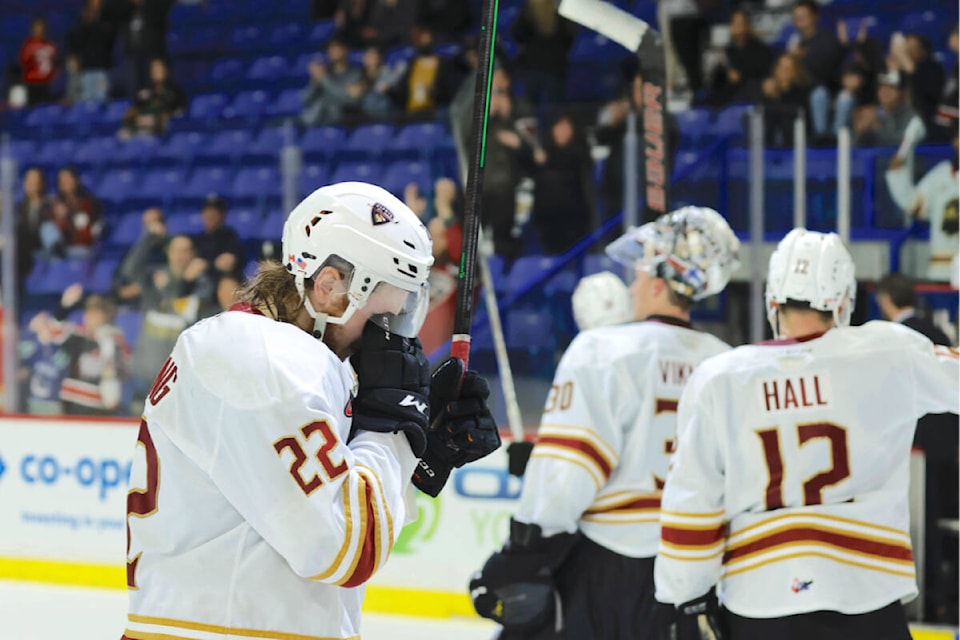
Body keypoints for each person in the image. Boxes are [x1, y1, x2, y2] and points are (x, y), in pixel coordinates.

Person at [123, 182, 500, 640]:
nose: (391, 339)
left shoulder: (268, 351)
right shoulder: (266, 358)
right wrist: (392, 431)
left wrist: (420, 452)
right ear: (330, 287)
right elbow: (347, 550)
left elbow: (342, 514)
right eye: (384, 321)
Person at [653, 229, 959, 640]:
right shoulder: (889, 351)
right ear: (844, 299)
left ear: (772, 299)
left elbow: (691, 501)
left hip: (759, 599)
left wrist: (687, 596)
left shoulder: (720, 378)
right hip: (865, 591)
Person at [470, 207, 741, 639]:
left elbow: (566, 476)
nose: (632, 283)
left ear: (657, 278)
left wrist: (524, 550)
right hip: (692, 572)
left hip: (607, 569)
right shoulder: (727, 363)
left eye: (638, 272)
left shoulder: (604, 350)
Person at [875, 272, 958, 623]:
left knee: (920, 524)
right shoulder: (935, 332)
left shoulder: (894, 339)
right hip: (945, 447)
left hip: (915, 452)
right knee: (939, 520)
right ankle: (940, 596)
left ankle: (927, 597)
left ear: (886, 299)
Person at [885, 119, 958, 283]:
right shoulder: (940, 176)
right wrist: (897, 171)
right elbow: (913, 204)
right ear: (955, 140)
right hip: (942, 272)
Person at [119, 57, 187, 138]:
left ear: (166, 70)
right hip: (141, 124)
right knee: (123, 134)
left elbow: (175, 109)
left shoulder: (175, 90)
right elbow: (135, 108)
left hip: (161, 126)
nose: (156, 72)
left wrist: (154, 118)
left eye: (159, 68)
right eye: (153, 69)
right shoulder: (147, 90)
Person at [191, 194, 244, 280]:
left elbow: (227, 263)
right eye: (207, 211)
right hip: (201, 283)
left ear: (223, 215)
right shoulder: (198, 239)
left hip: (223, 282)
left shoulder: (230, 237)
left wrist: (207, 265)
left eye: (214, 212)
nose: (210, 215)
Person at [19, 17, 58, 105]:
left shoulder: (50, 46)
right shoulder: (28, 45)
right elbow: (23, 62)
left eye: (41, 27)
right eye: (36, 27)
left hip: (47, 84)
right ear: (32, 29)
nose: (39, 30)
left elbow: (55, 63)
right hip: (33, 83)